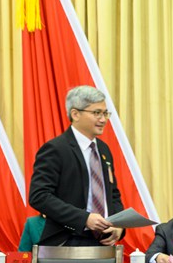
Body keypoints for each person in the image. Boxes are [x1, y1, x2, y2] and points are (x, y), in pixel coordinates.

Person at [29, 85, 125, 246]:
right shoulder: (56, 149)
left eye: (105, 113)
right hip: (67, 241)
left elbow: (113, 194)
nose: (103, 119)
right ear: (75, 114)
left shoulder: (103, 149)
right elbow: (39, 196)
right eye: (97, 113)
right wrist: (84, 218)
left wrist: (119, 225)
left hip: (103, 243)